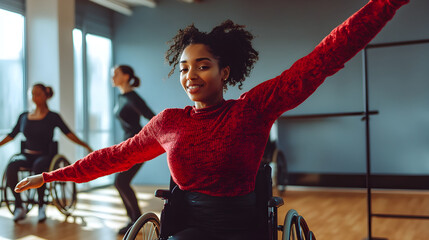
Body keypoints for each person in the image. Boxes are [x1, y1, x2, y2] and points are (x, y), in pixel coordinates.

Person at [15, 0, 409, 238]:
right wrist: (50, 176)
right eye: (185, 68)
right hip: (189, 226)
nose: (191, 75)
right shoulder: (168, 122)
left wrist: (386, 4)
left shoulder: (253, 108)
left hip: (247, 228)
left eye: (202, 66)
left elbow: (325, 57)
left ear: (225, 72)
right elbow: (117, 155)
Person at [0, 83, 92, 223]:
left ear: (45, 96)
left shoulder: (52, 117)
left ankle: (42, 205)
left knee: (39, 167)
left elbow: (68, 133)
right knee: (12, 166)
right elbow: (12, 135)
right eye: (32, 94)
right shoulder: (24, 116)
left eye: (37, 94)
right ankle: (19, 206)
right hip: (27, 155)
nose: (34, 97)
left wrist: (85, 145)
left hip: (45, 155)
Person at [111, 65, 156, 234]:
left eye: (116, 74)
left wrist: (145, 139)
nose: (112, 77)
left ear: (126, 76)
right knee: (120, 182)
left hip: (137, 146)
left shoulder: (133, 97)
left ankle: (135, 220)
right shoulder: (121, 96)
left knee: (121, 181)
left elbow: (152, 118)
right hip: (127, 145)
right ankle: (134, 220)